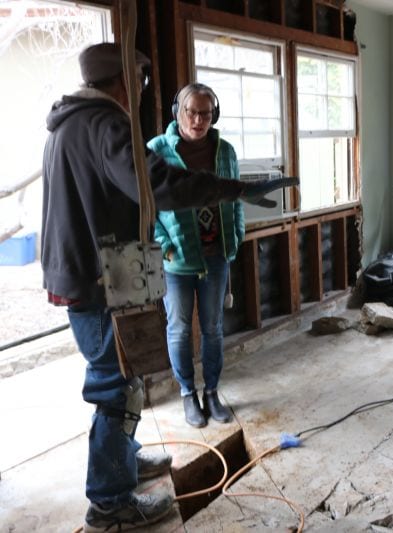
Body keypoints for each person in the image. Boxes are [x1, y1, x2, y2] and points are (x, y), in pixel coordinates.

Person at [40, 43, 267, 531]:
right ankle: (110, 501)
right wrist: (234, 189)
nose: (142, 88)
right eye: (140, 79)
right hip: (99, 278)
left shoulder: (73, 123)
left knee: (126, 377)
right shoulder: (105, 123)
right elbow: (158, 185)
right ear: (125, 80)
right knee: (115, 388)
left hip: (91, 271)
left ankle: (123, 460)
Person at [147, 83, 241, 428]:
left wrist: (237, 234)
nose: (199, 119)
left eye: (206, 113)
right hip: (176, 261)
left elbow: (236, 196)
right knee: (180, 329)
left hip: (217, 256)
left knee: (214, 328)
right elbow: (147, 207)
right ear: (178, 111)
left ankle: (212, 392)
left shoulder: (225, 151)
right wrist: (164, 244)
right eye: (192, 111)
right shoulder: (157, 150)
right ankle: (188, 394)